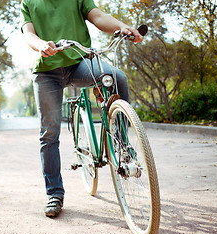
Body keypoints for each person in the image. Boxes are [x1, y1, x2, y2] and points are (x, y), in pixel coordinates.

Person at [20, 0, 143, 218]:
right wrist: (40, 45)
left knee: (118, 77)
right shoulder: (28, 1)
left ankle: (122, 146)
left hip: (80, 63)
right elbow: (28, 33)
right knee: (49, 133)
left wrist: (121, 27)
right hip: (47, 71)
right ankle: (54, 194)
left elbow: (97, 17)